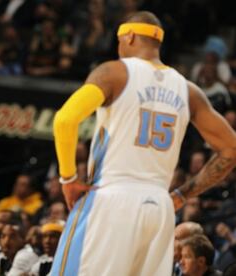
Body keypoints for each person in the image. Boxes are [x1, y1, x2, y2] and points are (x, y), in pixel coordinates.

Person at [51, 11, 236, 276]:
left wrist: (68, 179)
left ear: (129, 36)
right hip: (159, 209)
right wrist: (183, 194)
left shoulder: (113, 72)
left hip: (111, 198)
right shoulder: (188, 90)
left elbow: (65, 120)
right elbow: (231, 149)